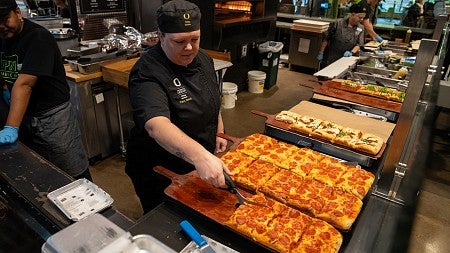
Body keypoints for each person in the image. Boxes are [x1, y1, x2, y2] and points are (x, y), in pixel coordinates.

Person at [125, 0, 230, 213]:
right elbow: (156, 125)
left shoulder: (203, 59)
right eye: (179, 41)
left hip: (196, 162)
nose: (189, 47)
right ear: (161, 36)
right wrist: (201, 156)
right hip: (160, 167)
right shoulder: (147, 71)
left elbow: (212, 97)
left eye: (195, 39)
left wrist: (218, 129)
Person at [0, 0, 91, 180]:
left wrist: (11, 126)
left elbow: (25, 84)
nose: (1, 26)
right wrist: (5, 89)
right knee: (43, 173)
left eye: (4, 19)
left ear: (18, 12)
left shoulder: (37, 38)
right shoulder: (3, 38)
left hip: (52, 119)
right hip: (24, 115)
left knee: (72, 172)